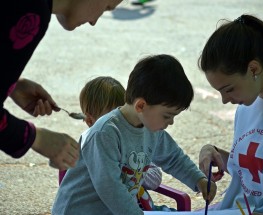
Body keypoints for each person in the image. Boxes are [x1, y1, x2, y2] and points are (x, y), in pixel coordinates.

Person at [52, 54, 217, 215]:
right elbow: (110, 188)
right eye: (167, 116)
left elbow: (173, 158)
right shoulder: (105, 133)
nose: (171, 122)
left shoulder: (152, 129)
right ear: (141, 106)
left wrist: (199, 180)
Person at [1, 0, 122, 170]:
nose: (94, 21)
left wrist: (13, 85)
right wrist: (38, 139)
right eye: (107, 7)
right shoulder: (31, 12)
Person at [198, 14, 263, 214]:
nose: (225, 100)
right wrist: (214, 152)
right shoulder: (247, 105)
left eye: (228, 89)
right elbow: (253, 172)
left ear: (253, 68)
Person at [58, 76, 163, 210]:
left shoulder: (131, 142)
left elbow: (155, 178)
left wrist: (135, 171)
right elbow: (108, 187)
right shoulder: (93, 144)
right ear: (90, 121)